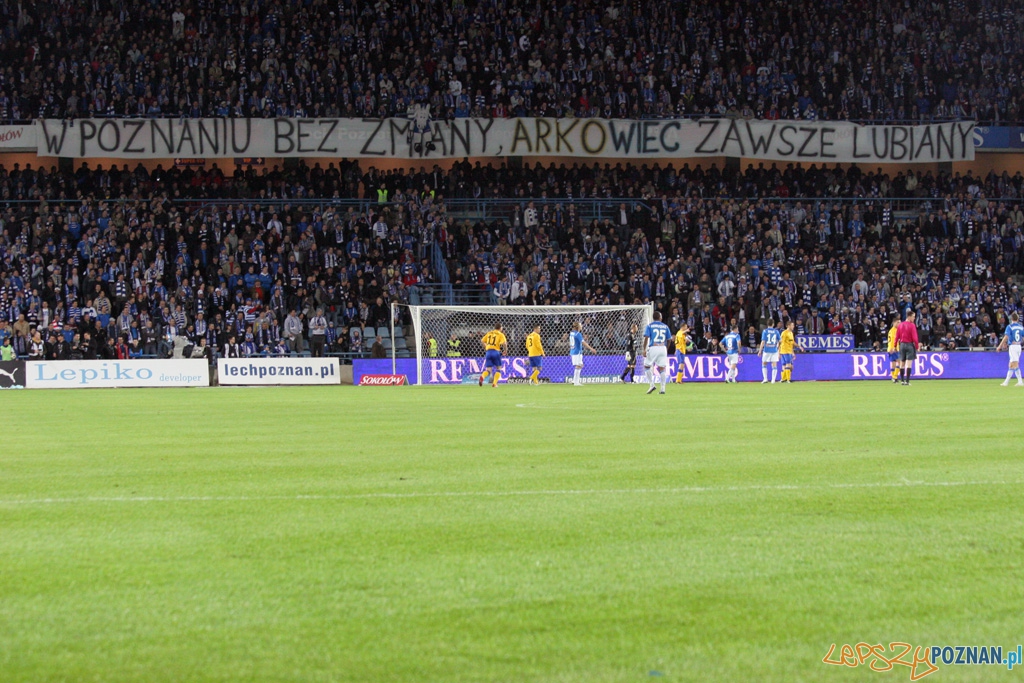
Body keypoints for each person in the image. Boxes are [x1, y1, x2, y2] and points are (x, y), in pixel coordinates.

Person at [642, 311, 672, 394]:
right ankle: (662, 389)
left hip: (653, 347)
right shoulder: (665, 326)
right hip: (662, 347)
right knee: (662, 368)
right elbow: (669, 339)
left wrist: (644, 349)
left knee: (647, 366)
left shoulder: (650, 326)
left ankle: (652, 385)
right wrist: (666, 348)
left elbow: (646, 337)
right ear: (660, 318)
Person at [996, 312, 1024, 386]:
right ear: (1017, 319)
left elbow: (1006, 337)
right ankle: (1006, 382)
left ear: (1011, 319)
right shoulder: (1021, 327)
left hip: (1013, 346)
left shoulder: (1010, 326)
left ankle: (1020, 381)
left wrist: (1000, 346)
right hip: (1019, 346)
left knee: (1015, 364)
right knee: (1011, 364)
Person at [568, 321, 597, 386]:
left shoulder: (572, 333)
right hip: (577, 351)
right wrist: (591, 349)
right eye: (580, 325)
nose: (582, 326)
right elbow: (583, 343)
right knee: (579, 365)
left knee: (580, 365)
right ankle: (576, 382)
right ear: (578, 327)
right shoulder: (578, 334)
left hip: (573, 351)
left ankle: (574, 380)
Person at [896, 311, 920, 385]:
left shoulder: (900, 325)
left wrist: (894, 345)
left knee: (902, 363)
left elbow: (897, 336)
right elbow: (915, 338)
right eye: (913, 316)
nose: (914, 318)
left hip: (902, 345)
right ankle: (907, 381)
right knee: (909, 364)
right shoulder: (912, 325)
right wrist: (916, 346)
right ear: (909, 316)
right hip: (909, 345)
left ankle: (902, 381)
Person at [887, 318, 901, 383]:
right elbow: (893, 340)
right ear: (894, 323)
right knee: (900, 362)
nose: (899, 324)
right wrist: (894, 348)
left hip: (890, 349)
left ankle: (893, 377)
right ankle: (895, 377)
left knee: (894, 363)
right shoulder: (894, 331)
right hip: (894, 349)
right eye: (898, 322)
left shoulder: (892, 330)